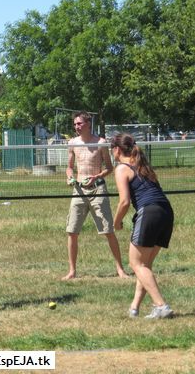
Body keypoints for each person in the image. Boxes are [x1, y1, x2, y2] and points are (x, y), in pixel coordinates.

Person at [111, 133, 174, 319]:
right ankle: (134, 308)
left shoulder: (122, 168)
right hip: (166, 212)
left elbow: (124, 202)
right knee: (144, 265)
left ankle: (161, 305)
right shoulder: (143, 164)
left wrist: (116, 222)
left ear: (116, 150)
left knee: (136, 264)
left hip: (149, 212)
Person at [62, 111, 129, 280]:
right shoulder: (72, 143)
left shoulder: (101, 143)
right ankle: (72, 271)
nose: (77, 127)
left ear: (88, 124)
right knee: (72, 231)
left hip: (98, 189)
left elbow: (109, 167)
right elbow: (69, 167)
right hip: (78, 191)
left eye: (80, 124)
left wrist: (97, 177)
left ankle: (120, 269)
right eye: (75, 124)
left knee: (108, 230)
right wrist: (69, 176)